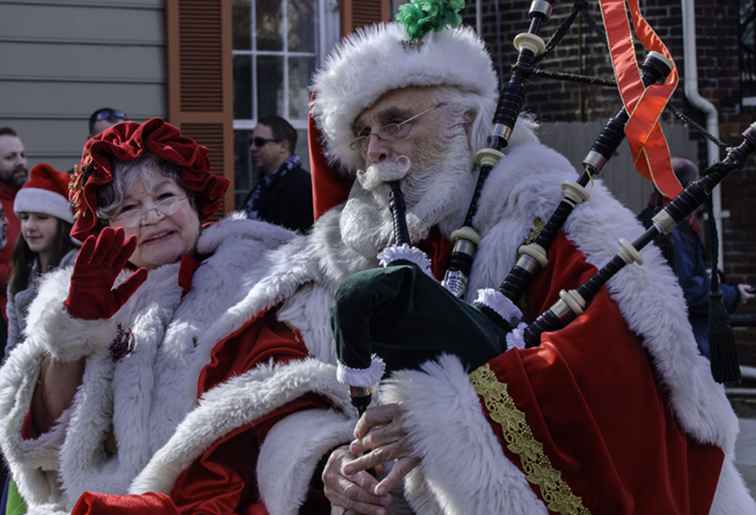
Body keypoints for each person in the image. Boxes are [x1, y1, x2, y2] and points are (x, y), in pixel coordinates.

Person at [238, 10, 752, 514]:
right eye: (363, 134)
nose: (375, 150)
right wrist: (336, 457)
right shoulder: (368, 248)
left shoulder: (551, 211)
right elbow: (326, 388)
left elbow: (615, 372)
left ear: (466, 119)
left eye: (395, 121)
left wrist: (437, 420)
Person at [0, 118, 356, 514]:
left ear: (193, 200)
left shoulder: (264, 282)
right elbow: (41, 451)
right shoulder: (77, 295)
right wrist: (76, 326)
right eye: (128, 208)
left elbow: (293, 398)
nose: (151, 216)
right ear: (102, 228)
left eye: (165, 196)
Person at [639, 157, 755, 356]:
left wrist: (710, 276)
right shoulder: (672, 231)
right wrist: (733, 294)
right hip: (683, 347)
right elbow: (688, 293)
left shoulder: (650, 221)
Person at [6, 164, 79, 356]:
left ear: (62, 222)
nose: (30, 226)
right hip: (22, 375)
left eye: (41, 217)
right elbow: (13, 344)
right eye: (24, 217)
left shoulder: (78, 268)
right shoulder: (22, 272)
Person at [243, 115, 313, 232]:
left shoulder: (302, 186)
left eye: (259, 142)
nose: (252, 148)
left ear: (283, 146)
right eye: (251, 142)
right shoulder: (263, 186)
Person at [0, 127, 28, 349]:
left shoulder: (31, 202)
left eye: (22, 155)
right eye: (10, 157)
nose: (20, 162)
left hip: (29, 317)